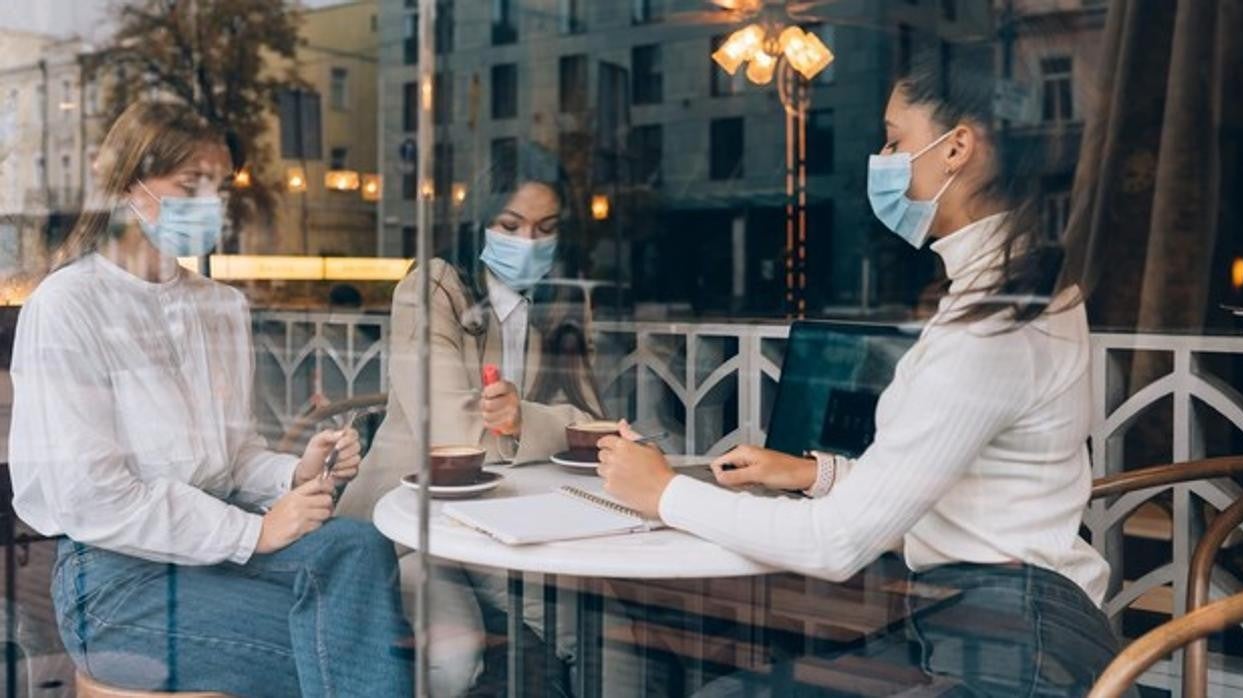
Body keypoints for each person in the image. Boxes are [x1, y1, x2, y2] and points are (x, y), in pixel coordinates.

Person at [596, 59, 1125, 696]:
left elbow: (837, 543)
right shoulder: (1008, 290)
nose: (883, 157)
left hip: (1014, 645)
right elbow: (958, 488)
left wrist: (661, 492)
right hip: (978, 620)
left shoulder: (992, 327)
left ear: (956, 147)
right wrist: (811, 473)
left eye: (895, 140)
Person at [8, 102, 413, 696]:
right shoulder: (69, 305)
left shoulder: (220, 307)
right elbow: (93, 499)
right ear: (128, 186)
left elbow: (236, 454)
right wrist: (254, 534)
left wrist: (293, 472)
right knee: (346, 644)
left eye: (219, 187)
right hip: (119, 583)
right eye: (190, 184)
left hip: (215, 552)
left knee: (361, 545)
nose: (211, 203)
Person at [337, 144, 603, 695]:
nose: (528, 244)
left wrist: (526, 419)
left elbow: (593, 425)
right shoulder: (432, 289)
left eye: (545, 229)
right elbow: (461, 438)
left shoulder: (554, 306)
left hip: (504, 525)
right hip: (409, 529)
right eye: (511, 225)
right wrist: (540, 424)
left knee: (588, 632)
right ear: (479, 220)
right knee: (455, 662)